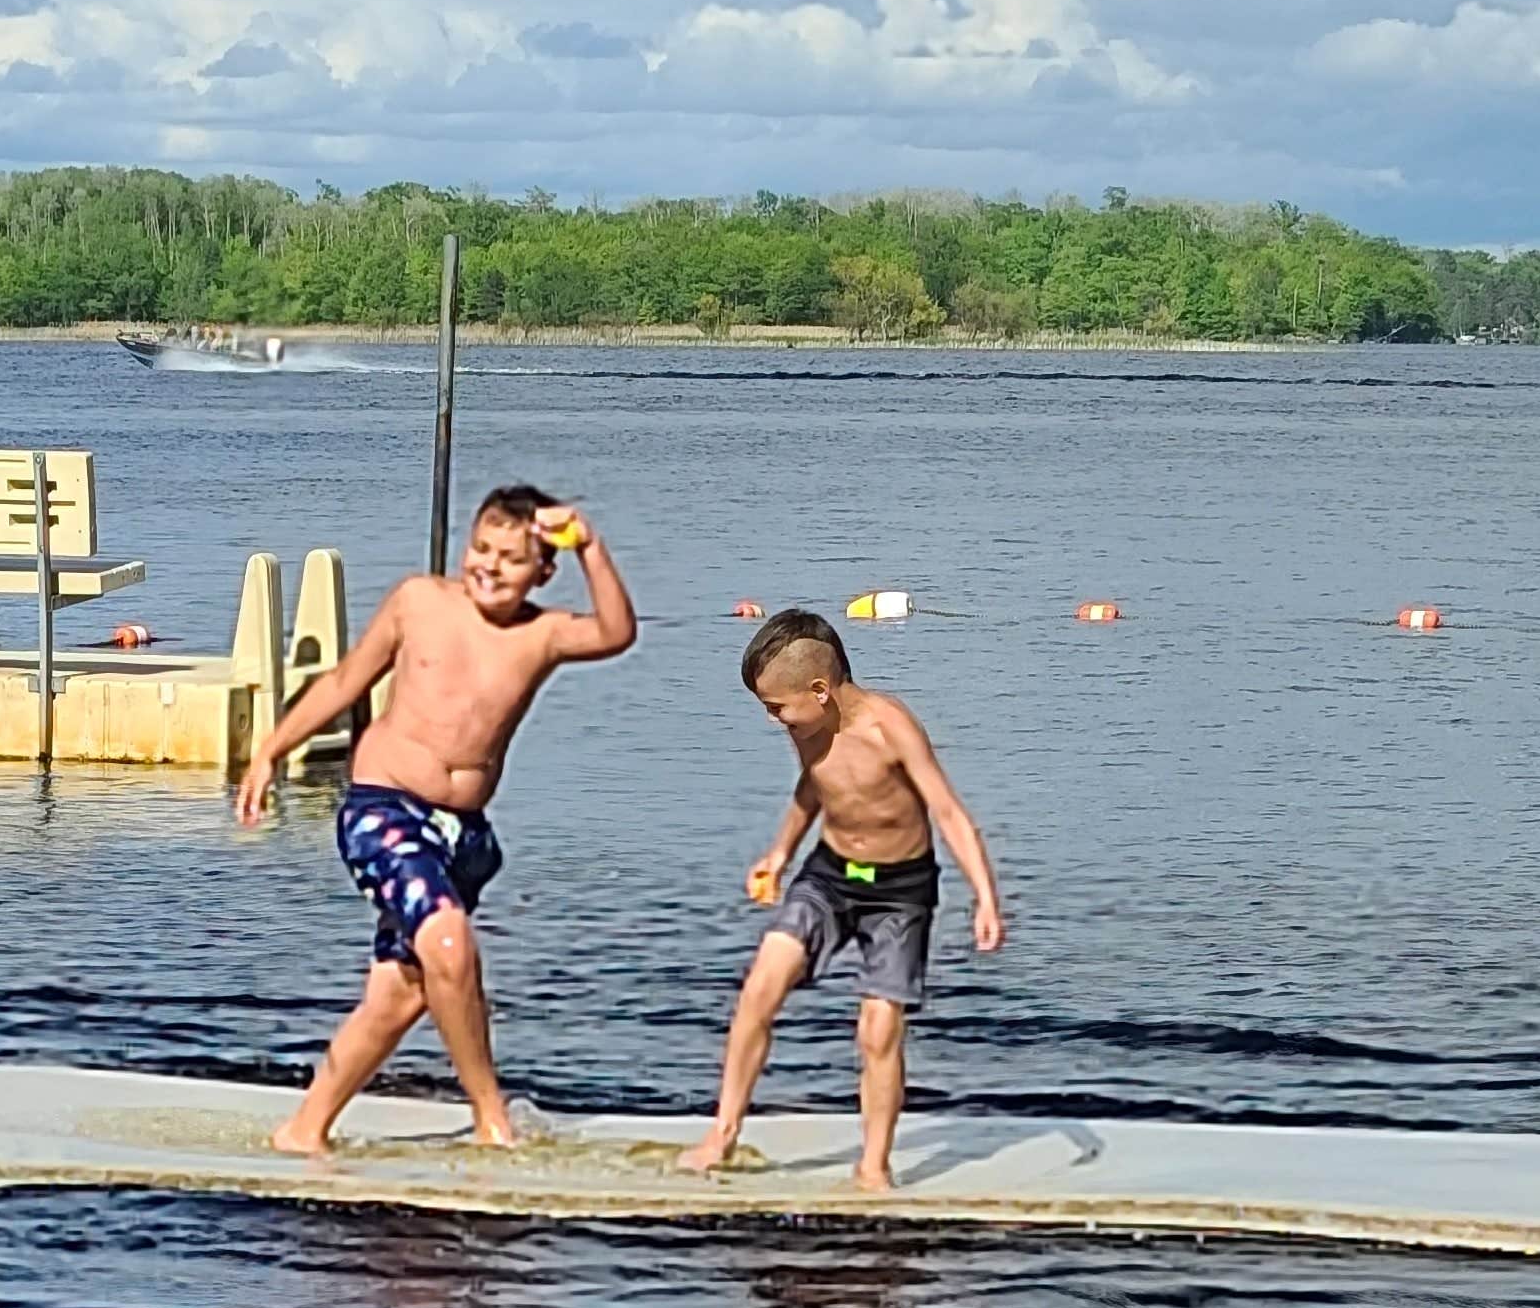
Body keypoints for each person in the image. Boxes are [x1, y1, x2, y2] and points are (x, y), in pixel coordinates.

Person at [231, 486, 638, 1154]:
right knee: (448, 944)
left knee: (401, 994)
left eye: (511, 558)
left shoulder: (543, 633)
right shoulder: (419, 601)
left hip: (464, 836)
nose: (490, 565)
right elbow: (344, 682)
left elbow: (617, 632)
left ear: (541, 570)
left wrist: (588, 544)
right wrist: (270, 751)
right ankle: (491, 1119)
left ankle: (304, 1131)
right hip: (383, 810)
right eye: (481, 548)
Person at [678, 606, 1007, 1189]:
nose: (776, 722)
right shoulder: (809, 729)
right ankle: (722, 1133)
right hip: (829, 874)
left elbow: (949, 811)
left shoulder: (890, 727)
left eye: (777, 708)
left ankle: (873, 1166)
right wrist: (779, 853)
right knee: (760, 986)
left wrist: (985, 897)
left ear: (820, 690)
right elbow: (813, 788)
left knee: (878, 1029)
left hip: (900, 889)